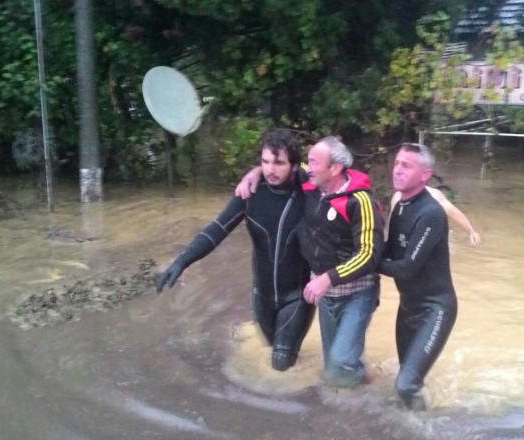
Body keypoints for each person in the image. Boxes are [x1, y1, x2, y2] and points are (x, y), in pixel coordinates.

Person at [155, 129, 314, 371]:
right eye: (265, 162)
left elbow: (327, 171)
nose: (271, 169)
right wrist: (182, 260)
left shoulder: (310, 191)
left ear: (293, 165)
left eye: (279, 163)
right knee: (279, 356)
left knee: (280, 364)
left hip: (297, 296)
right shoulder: (250, 193)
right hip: (262, 296)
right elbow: (217, 229)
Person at [297, 137, 384, 388]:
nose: (308, 167)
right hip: (326, 295)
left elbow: (369, 254)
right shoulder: (313, 185)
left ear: (334, 168)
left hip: (357, 293)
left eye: (314, 162)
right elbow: (289, 166)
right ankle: (360, 387)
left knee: (338, 364)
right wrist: (255, 172)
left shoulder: (360, 201)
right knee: (332, 368)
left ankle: (366, 394)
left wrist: (327, 278)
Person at [379, 143, 458, 410]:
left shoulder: (431, 213)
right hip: (408, 307)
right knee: (406, 381)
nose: (397, 170)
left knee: (406, 384)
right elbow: (388, 250)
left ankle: (427, 432)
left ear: (425, 175)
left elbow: (406, 267)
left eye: (406, 165)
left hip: (434, 310)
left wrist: (367, 264)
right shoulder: (400, 205)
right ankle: (409, 429)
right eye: (397, 163)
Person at [388, 186, 480, 246]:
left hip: (431, 243)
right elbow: (392, 225)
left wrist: (471, 231)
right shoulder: (397, 197)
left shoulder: (434, 195)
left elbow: (453, 213)